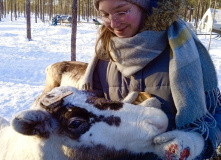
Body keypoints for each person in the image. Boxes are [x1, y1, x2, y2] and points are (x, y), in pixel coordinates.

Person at [79, 0, 221, 159]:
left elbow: (216, 111)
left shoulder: (182, 47)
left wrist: (195, 142)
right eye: (105, 14)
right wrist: (115, 114)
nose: (112, 23)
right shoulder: (104, 56)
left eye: (121, 11)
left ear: (144, 7)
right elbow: (89, 120)